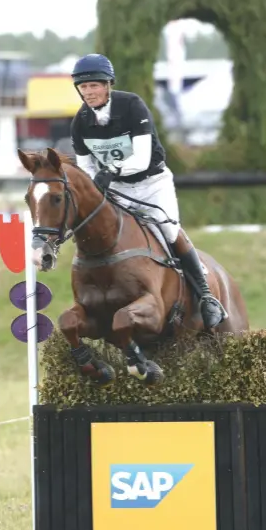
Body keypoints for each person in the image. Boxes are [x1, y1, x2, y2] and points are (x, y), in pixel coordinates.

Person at [70, 53, 227, 329]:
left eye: (94, 85)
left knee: (168, 230)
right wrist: (97, 183)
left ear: (108, 85)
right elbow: (85, 166)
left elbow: (140, 159)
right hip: (116, 189)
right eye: (84, 87)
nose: (89, 92)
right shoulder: (80, 122)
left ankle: (205, 296)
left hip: (152, 184)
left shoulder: (132, 106)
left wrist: (110, 173)